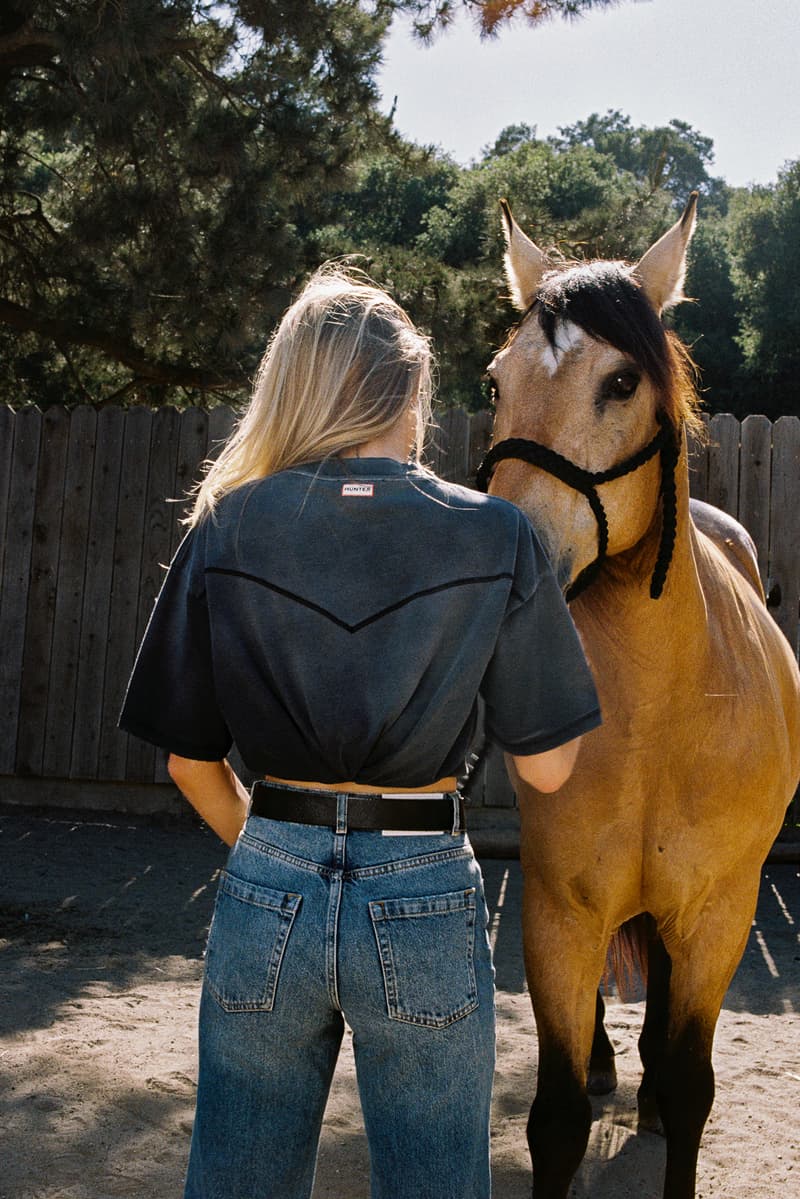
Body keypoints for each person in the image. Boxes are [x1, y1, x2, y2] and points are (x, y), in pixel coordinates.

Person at [119, 264, 601, 1199]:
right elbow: (548, 769)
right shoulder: (497, 537)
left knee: (236, 1179)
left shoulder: (226, 525)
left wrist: (279, 849)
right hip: (421, 882)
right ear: (413, 390)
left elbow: (190, 760)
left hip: (268, 882)